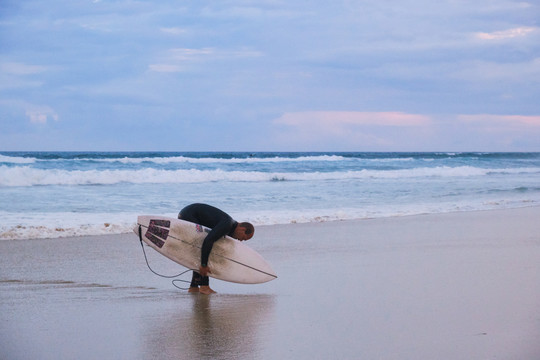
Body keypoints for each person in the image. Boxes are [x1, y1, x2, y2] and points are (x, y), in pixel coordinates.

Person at [178, 203, 255, 294]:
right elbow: (208, 241)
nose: (241, 240)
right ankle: (204, 286)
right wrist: (203, 265)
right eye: (243, 238)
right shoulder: (227, 225)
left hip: (187, 213)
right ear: (242, 229)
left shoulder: (229, 227)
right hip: (189, 215)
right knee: (202, 248)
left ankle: (194, 287)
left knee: (201, 250)